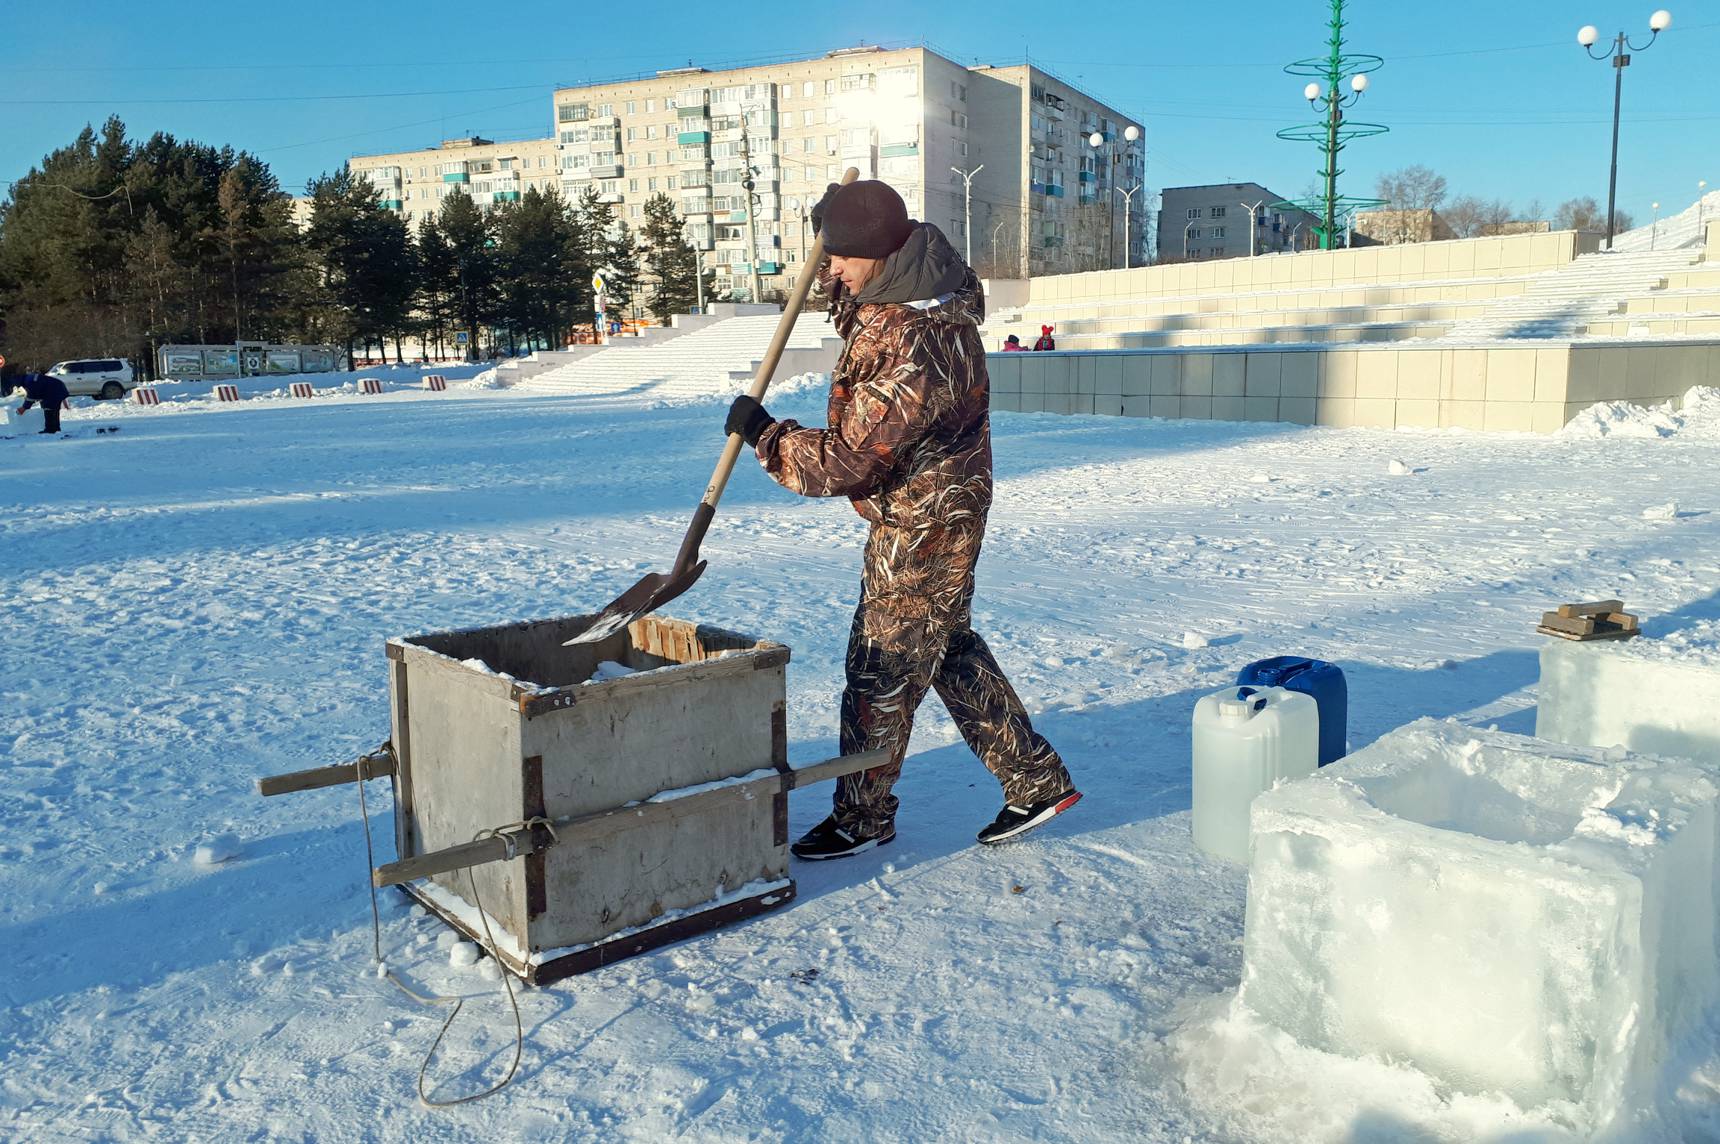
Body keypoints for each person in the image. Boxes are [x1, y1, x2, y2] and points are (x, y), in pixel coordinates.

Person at [724, 179, 1080, 860]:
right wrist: (833, 227)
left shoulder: (913, 339)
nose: (829, 271)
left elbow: (847, 462)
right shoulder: (914, 292)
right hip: (939, 505)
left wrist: (766, 435)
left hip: (924, 520)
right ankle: (1035, 779)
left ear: (877, 258)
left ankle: (863, 816)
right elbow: (859, 306)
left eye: (839, 259)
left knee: (881, 666)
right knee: (944, 646)